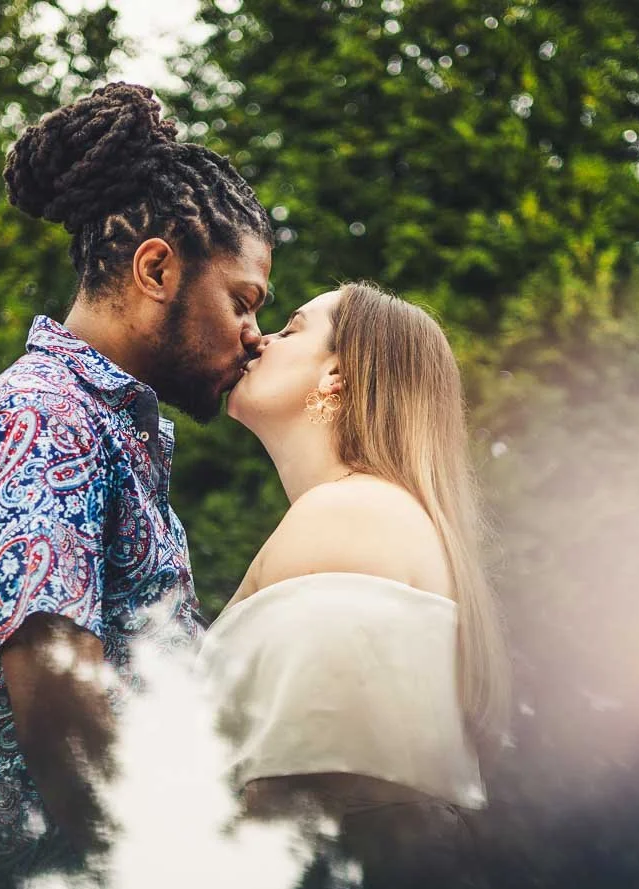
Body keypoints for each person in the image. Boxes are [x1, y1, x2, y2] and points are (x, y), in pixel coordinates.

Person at [0, 82, 272, 880]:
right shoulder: (43, 422)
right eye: (243, 301)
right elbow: (64, 716)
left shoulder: (105, 426)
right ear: (155, 268)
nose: (256, 336)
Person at [200, 281, 512, 826]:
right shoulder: (359, 514)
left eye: (291, 329)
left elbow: (309, 803)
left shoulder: (350, 519)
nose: (258, 340)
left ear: (337, 375)